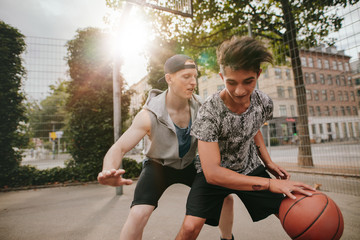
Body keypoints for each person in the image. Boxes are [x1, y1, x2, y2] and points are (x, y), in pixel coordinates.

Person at [175, 36, 316, 240]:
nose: (240, 91)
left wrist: (267, 161)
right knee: (189, 228)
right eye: (231, 82)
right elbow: (213, 173)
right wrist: (269, 184)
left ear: (258, 74)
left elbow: (254, 127)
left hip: (249, 166)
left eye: (248, 81)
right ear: (222, 77)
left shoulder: (263, 103)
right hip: (214, 172)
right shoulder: (209, 111)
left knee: (296, 214)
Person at [97, 54, 234, 240]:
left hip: (190, 164)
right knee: (138, 214)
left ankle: (227, 238)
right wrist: (108, 170)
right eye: (186, 77)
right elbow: (119, 147)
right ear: (169, 78)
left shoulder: (202, 108)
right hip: (158, 166)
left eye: (195, 76)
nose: (193, 82)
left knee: (226, 198)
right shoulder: (149, 115)